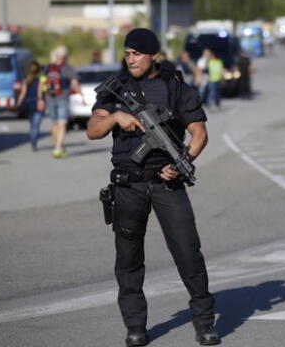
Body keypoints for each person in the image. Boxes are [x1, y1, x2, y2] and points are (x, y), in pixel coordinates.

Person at [86, 28, 220, 347]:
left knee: (189, 253)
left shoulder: (174, 86)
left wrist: (181, 161)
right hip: (128, 186)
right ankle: (135, 327)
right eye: (127, 53)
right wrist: (117, 117)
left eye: (137, 54)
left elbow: (199, 134)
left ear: (153, 56)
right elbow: (93, 130)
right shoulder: (115, 89)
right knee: (129, 259)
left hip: (166, 184)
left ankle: (204, 323)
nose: (130, 59)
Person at [38, 45, 83, 158]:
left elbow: (42, 83)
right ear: (65, 56)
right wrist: (81, 96)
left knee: (55, 123)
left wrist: (40, 98)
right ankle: (58, 147)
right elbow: (74, 83)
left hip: (50, 97)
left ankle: (57, 145)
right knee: (62, 123)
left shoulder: (48, 68)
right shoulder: (68, 68)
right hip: (63, 97)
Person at [16, 60, 44, 151]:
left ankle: (33, 140)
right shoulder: (41, 79)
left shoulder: (26, 80)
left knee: (32, 124)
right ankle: (33, 142)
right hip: (37, 103)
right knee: (36, 125)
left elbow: (23, 93)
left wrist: (19, 102)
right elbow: (40, 91)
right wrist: (40, 100)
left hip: (28, 104)